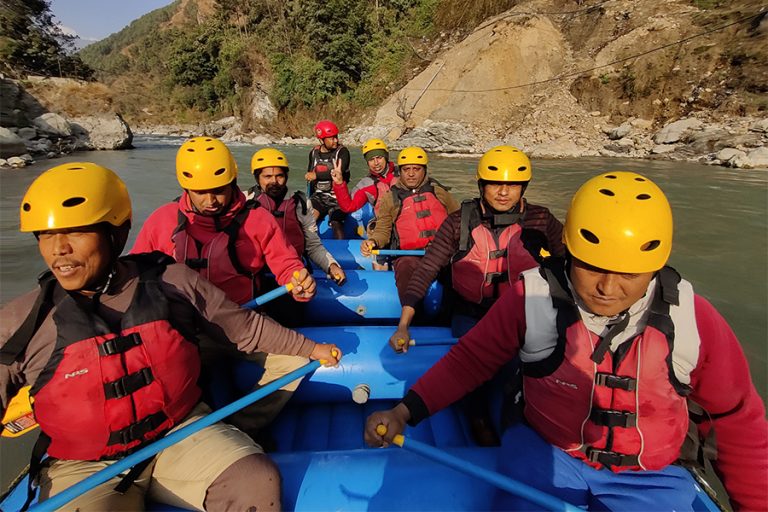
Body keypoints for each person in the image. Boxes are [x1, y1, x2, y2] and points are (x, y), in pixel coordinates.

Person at [365, 171, 768, 511]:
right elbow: (470, 360)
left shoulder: (693, 320)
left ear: (655, 266)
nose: (608, 288)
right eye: (592, 267)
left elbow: (737, 423)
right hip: (546, 454)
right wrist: (405, 412)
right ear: (569, 253)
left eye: (629, 272)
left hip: (651, 476)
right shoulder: (531, 296)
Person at [0, 162, 341, 511]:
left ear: (115, 233)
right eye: (45, 235)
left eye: (77, 232)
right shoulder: (20, 323)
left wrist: (310, 346)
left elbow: (246, 327)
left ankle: (239, 426)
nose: (58, 249)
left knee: (256, 480)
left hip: (180, 430)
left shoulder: (173, 280)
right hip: (84, 464)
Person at [132, 136, 316, 438]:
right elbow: (136, 276)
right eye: (200, 193)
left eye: (218, 190)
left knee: (294, 363)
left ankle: (240, 427)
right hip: (184, 329)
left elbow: (285, 262)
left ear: (232, 181)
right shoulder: (162, 221)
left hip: (242, 322)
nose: (210, 200)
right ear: (185, 188)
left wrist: (297, 279)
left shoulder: (257, 219)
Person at [389, 145, 566, 446]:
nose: (503, 192)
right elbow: (427, 268)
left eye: (512, 185)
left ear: (523, 187)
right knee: (475, 364)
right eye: (495, 184)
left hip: (525, 315)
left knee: (531, 367)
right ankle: (478, 418)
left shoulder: (541, 220)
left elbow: (567, 264)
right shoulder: (459, 222)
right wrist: (404, 323)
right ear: (482, 185)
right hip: (472, 313)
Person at [360, 146, 460, 303]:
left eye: (416, 169)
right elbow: (383, 230)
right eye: (406, 169)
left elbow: (459, 219)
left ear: (424, 170)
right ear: (400, 171)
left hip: (442, 253)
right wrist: (373, 241)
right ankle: (413, 316)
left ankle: (450, 315)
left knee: (459, 268)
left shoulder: (439, 192)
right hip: (410, 255)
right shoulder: (390, 198)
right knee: (406, 266)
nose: (411, 174)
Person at [248, 147, 346, 285]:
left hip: (293, 275)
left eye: (279, 176)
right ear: (257, 178)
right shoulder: (246, 203)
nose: (274, 181)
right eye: (267, 176)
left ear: (286, 177)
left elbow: (313, 245)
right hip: (258, 275)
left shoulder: (301, 203)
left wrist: (331, 266)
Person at [306, 120, 350, 239]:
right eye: (331, 138)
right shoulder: (314, 153)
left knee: (336, 222)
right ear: (322, 140)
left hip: (338, 197)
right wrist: (310, 176)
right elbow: (310, 173)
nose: (335, 140)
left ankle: (340, 250)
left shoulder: (343, 152)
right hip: (319, 197)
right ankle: (306, 248)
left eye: (336, 137)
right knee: (309, 220)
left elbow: (339, 173)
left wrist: (317, 176)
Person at [331, 138, 397, 216]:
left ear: (386, 157)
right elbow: (349, 207)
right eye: (371, 159)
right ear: (367, 162)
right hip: (384, 223)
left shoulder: (402, 172)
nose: (376, 163)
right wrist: (339, 183)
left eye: (379, 158)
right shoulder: (365, 184)